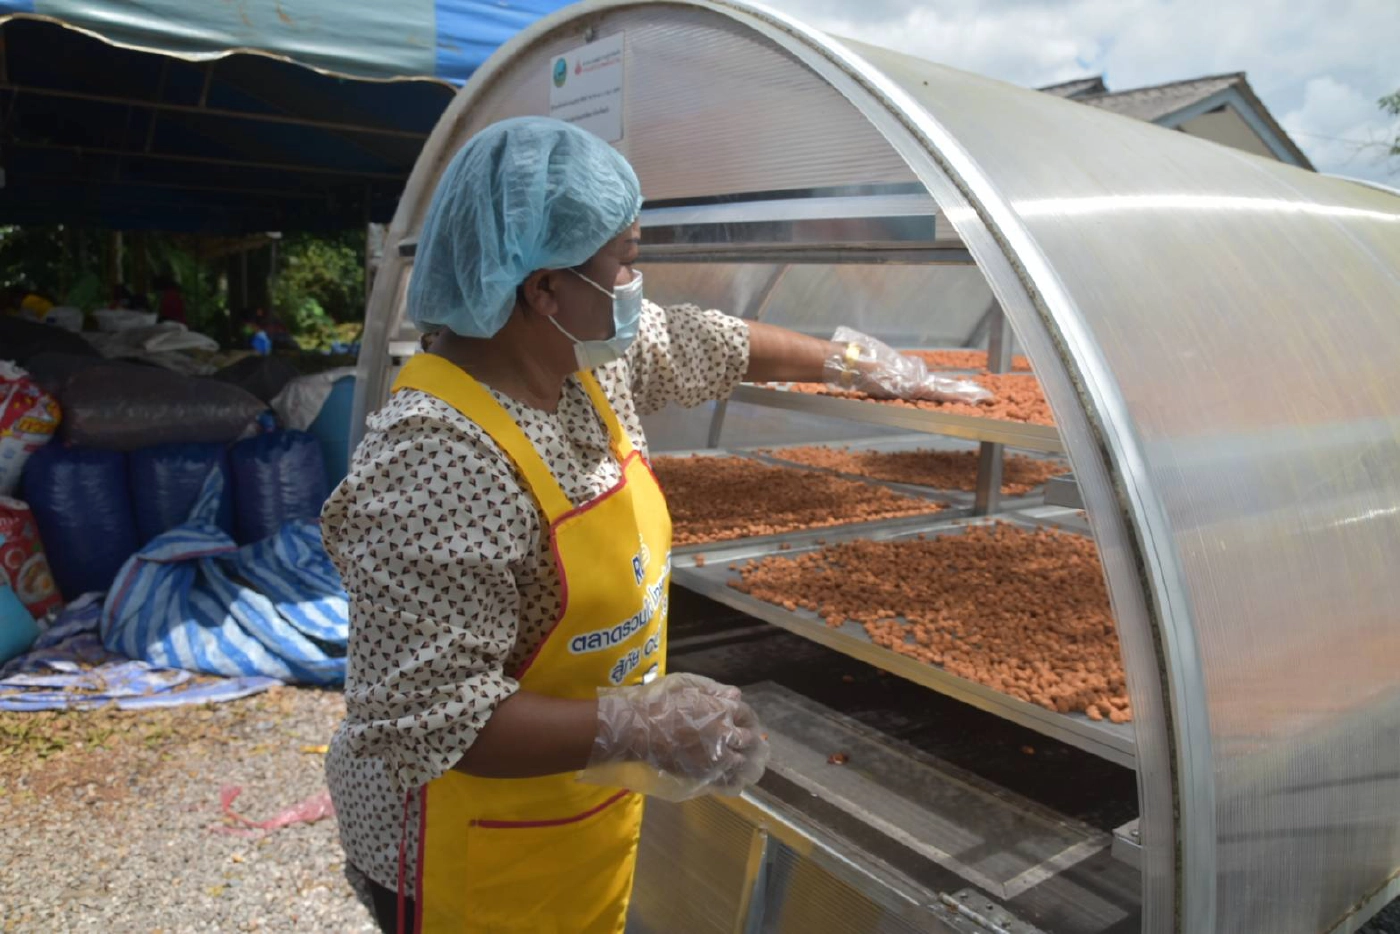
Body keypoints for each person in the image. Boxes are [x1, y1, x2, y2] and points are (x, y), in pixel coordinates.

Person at [323, 117, 990, 934]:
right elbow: (434, 716)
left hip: (573, 807)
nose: (638, 282)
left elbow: (713, 341)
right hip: (458, 846)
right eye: (626, 260)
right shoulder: (438, 456)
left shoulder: (581, 366)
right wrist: (636, 724)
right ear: (542, 288)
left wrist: (863, 366)